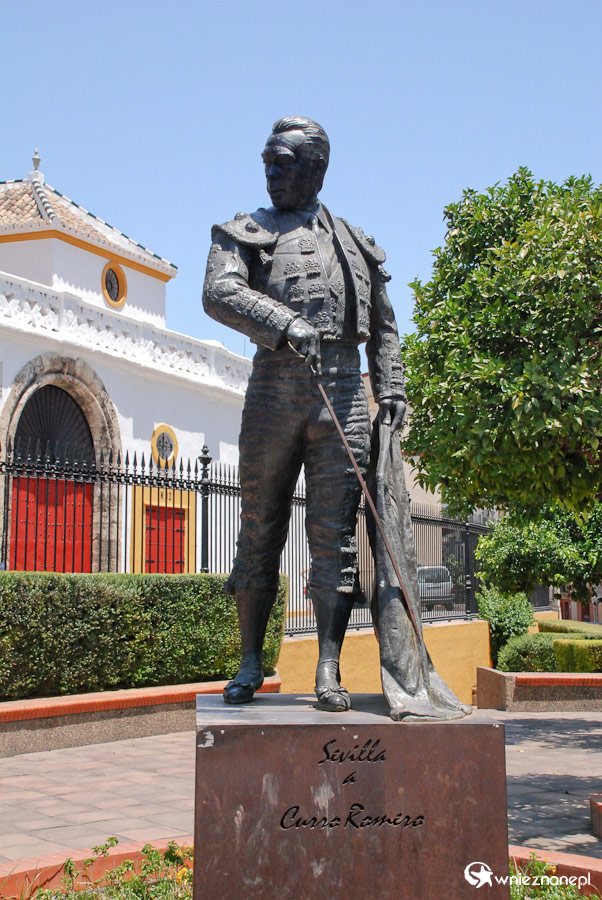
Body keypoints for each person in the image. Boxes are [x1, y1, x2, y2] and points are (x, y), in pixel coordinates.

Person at [203, 116, 406, 711]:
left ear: (317, 168)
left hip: (343, 394)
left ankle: (327, 667)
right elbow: (218, 292)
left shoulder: (355, 243)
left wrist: (391, 387)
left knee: (333, 540)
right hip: (274, 388)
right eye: (267, 161)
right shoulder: (244, 231)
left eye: (284, 163)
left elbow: (385, 326)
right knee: (258, 528)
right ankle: (250, 662)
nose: (270, 172)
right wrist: (284, 321)